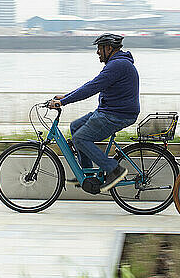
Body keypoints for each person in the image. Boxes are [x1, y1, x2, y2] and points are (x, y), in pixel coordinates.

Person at [48, 33, 140, 193]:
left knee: (80, 138)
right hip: (109, 110)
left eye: (99, 48)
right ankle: (87, 175)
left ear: (109, 48)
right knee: (75, 127)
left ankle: (114, 169)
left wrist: (63, 102)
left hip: (117, 114)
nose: (97, 52)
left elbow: (91, 88)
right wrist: (66, 96)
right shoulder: (117, 63)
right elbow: (91, 84)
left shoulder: (118, 65)